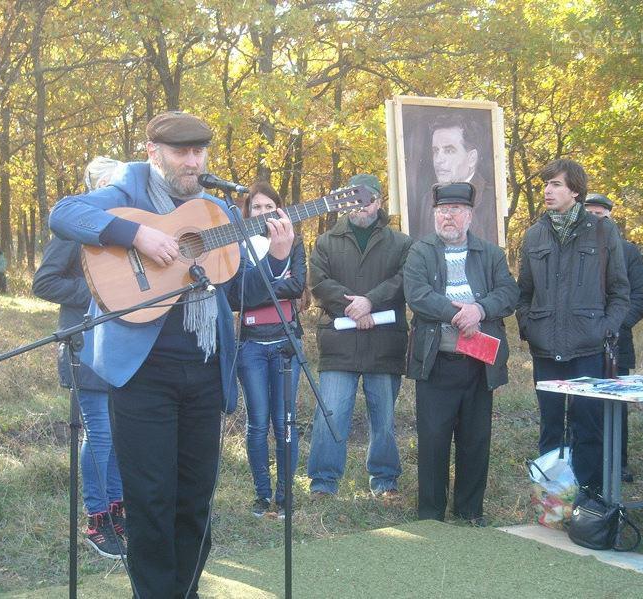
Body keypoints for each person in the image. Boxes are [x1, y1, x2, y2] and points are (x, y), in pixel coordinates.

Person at [49, 111, 294, 598]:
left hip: (204, 370)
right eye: (182, 152)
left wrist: (279, 256)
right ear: (153, 153)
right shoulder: (127, 192)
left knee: (195, 497)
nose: (193, 161)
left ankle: (185, 590)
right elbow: (64, 213)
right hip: (143, 374)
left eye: (200, 151)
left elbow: (236, 291)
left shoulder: (216, 212)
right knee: (151, 498)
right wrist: (137, 235)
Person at [404, 182, 519, 524]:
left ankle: (470, 511)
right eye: (442, 211)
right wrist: (457, 314)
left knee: (475, 440)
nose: (448, 217)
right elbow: (417, 294)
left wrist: (479, 311)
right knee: (433, 441)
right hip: (437, 361)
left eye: (455, 211)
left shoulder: (491, 253)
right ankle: (431, 514)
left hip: (479, 365)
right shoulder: (420, 251)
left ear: (469, 215)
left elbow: (509, 293)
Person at [516, 159, 629, 493]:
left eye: (556, 185)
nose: (548, 191)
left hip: (588, 348)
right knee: (551, 428)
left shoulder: (603, 230)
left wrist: (605, 329)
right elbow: (523, 293)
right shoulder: (534, 234)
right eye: (546, 185)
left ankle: (589, 500)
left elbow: (620, 292)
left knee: (588, 426)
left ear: (575, 191)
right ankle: (552, 501)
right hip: (545, 350)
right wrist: (529, 326)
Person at [33, 156, 126, 559]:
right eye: (108, 185)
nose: (115, 193)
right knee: (101, 437)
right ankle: (97, 520)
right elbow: (45, 282)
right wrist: (100, 294)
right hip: (84, 347)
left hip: (123, 348)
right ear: (92, 190)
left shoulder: (126, 230)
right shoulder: (72, 230)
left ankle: (120, 514)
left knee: (122, 437)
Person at [307, 173, 412, 498]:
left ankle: (385, 482)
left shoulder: (402, 243)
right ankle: (323, 483)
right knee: (332, 414)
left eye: (365, 199)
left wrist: (371, 302)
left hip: (385, 343)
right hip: (339, 343)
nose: (359, 205)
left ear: (378, 202)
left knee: (384, 419)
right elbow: (319, 283)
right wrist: (354, 308)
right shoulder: (326, 241)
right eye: (351, 198)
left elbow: (404, 279)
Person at [233, 181, 307, 518]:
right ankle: (261, 496)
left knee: (285, 422)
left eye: (268, 207)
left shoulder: (293, 240)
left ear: (278, 209)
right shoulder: (238, 245)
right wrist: (274, 284)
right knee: (257, 423)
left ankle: (285, 496)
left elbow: (297, 285)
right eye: (256, 207)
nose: (262, 213)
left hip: (285, 343)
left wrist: (265, 286)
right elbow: (240, 294)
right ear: (248, 211)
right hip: (251, 346)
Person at [584, 193, 643, 483]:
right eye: (591, 215)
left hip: (616, 343)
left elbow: (640, 294)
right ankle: (585, 460)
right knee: (584, 404)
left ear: (610, 217)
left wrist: (616, 325)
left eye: (601, 216)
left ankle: (618, 462)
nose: (596, 221)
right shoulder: (576, 250)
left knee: (616, 406)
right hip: (582, 342)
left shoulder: (628, 251)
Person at [408, 114, 498, 244]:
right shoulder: (428, 201)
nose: (439, 160)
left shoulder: (492, 199)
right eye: (435, 151)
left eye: (449, 151)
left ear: (472, 158)